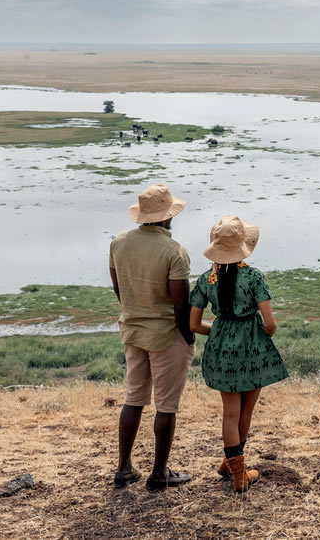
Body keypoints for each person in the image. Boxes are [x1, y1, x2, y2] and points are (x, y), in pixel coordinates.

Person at [189, 216, 288, 493]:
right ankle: (239, 475)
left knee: (229, 413)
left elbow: (194, 325)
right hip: (252, 349)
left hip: (221, 349)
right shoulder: (254, 277)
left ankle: (231, 465)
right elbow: (270, 325)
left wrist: (221, 333)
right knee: (246, 410)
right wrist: (257, 334)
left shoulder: (205, 280)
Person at [109, 184, 195, 491]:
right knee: (166, 406)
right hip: (166, 334)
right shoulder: (174, 251)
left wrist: (135, 311)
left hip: (132, 330)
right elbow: (181, 304)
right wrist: (189, 338)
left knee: (133, 399)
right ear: (166, 218)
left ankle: (123, 469)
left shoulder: (118, 243)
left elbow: (119, 289)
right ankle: (159, 473)